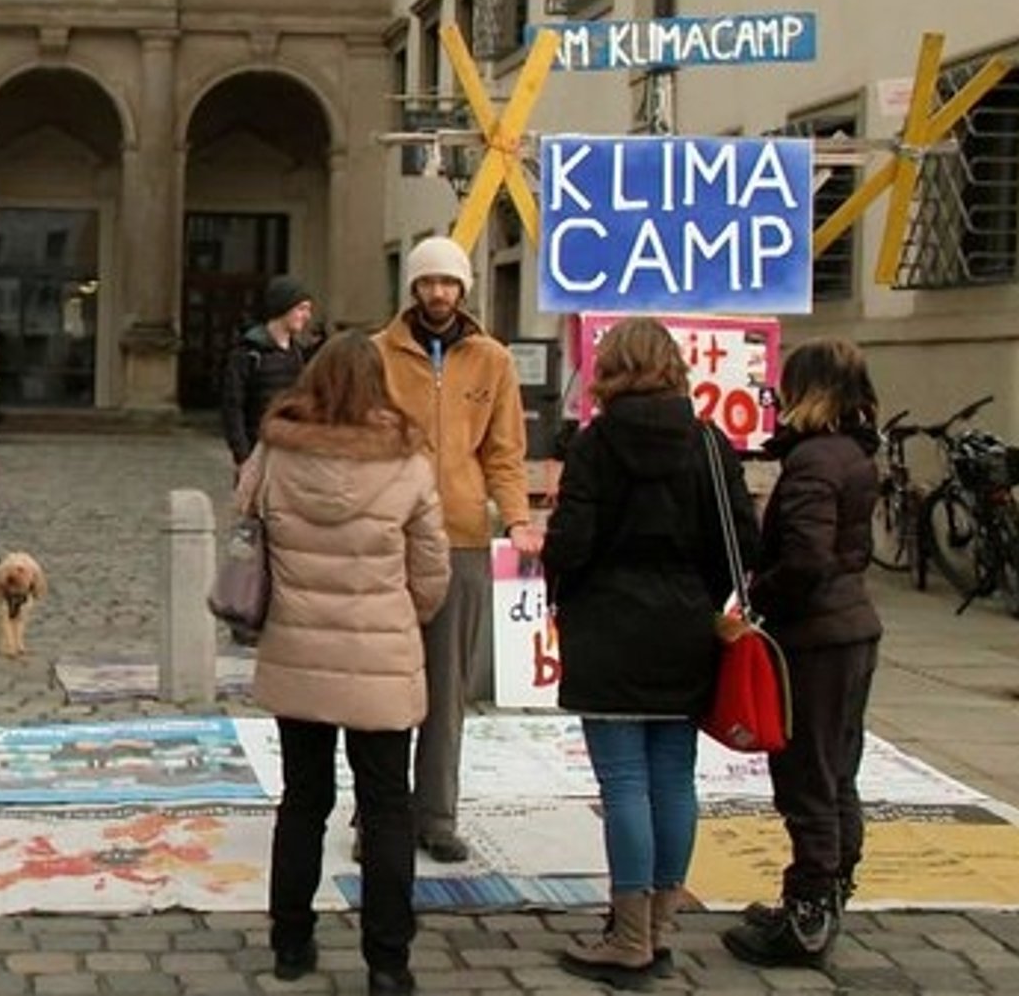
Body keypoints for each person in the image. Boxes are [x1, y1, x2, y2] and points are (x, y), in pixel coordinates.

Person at [540, 318, 759, 986]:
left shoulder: (596, 443)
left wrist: (568, 594)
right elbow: (741, 541)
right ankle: (658, 927)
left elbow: (570, 540)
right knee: (673, 779)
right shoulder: (707, 440)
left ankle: (628, 935)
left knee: (626, 784)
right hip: (686, 627)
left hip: (608, 628)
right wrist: (701, 595)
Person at [242, 332, 449, 994]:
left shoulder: (276, 449)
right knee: (388, 807)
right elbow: (432, 567)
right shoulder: (408, 458)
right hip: (381, 653)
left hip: (298, 648)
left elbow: (243, 515)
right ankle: (388, 961)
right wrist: (400, 613)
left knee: (303, 800)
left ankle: (290, 943)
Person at [372, 236, 537, 863]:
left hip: (463, 535)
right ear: (412, 288)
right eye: (427, 283)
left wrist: (516, 517)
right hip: (391, 536)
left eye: (449, 283)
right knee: (382, 685)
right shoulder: (377, 354)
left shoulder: (491, 360)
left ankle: (436, 815)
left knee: (448, 686)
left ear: (463, 290)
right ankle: (378, 813)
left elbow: (504, 451)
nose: (438, 293)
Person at [722, 339, 882, 970]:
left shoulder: (814, 460)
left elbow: (807, 557)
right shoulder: (853, 453)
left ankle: (809, 910)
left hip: (816, 637)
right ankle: (828, 892)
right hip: (849, 629)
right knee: (837, 770)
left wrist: (760, 596)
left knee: (808, 776)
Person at [222, 276, 317, 471]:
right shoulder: (247, 353)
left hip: (290, 453)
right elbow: (233, 407)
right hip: (257, 452)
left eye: (308, 309)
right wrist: (242, 456)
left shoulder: (298, 354)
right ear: (283, 308)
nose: (307, 316)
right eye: (301, 308)